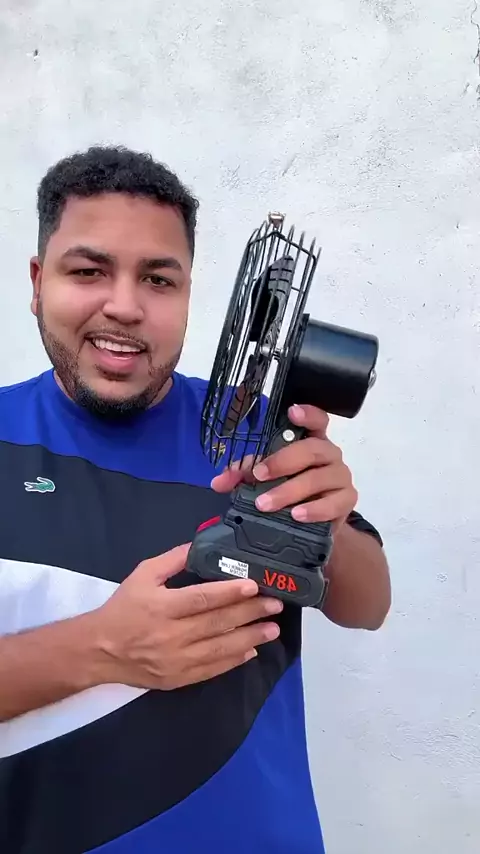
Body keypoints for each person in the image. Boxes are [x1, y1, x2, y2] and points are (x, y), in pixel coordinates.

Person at [0, 145, 390, 854]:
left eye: (158, 279)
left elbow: (367, 606)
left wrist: (327, 518)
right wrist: (101, 649)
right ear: (37, 281)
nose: (124, 306)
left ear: (188, 294)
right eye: (88, 271)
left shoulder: (253, 433)